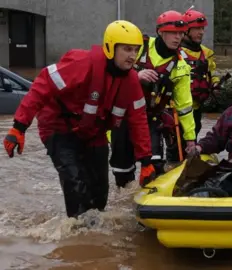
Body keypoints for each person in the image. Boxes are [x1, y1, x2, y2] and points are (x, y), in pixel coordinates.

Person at [3, 20, 155, 218]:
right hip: (59, 128)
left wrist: (145, 161)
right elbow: (42, 86)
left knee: (100, 195)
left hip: (94, 132)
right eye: (127, 49)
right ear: (110, 47)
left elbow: (138, 121)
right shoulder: (82, 63)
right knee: (75, 184)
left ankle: (93, 237)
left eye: (136, 50)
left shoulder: (131, 81)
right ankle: (76, 230)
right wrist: (18, 127)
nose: (132, 56)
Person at [109, 10, 195, 179]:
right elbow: (112, 73)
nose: (177, 37)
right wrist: (136, 76)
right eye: (173, 33)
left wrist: (190, 138)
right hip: (123, 117)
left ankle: (151, 196)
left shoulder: (181, 66)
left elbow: (185, 105)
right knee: (122, 170)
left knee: (154, 164)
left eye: (180, 33)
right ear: (160, 32)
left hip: (151, 119)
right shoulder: (139, 47)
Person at [179, 8, 220, 137]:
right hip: (177, 108)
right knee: (176, 143)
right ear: (186, 30)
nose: (201, 32)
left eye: (202, 29)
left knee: (194, 134)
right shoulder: (176, 51)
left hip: (197, 106)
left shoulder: (206, 53)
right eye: (197, 29)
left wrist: (216, 84)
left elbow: (212, 73)